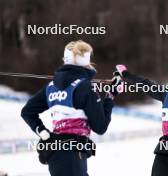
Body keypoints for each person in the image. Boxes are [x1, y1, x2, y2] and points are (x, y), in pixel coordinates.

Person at [21, 40, 122, 176]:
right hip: (73, 157)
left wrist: (42, 132)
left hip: (55, 155)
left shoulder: (51, 87)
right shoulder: (85, 87)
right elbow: (100, 126)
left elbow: (27, 112)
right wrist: (111, 96)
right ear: (86, 62)